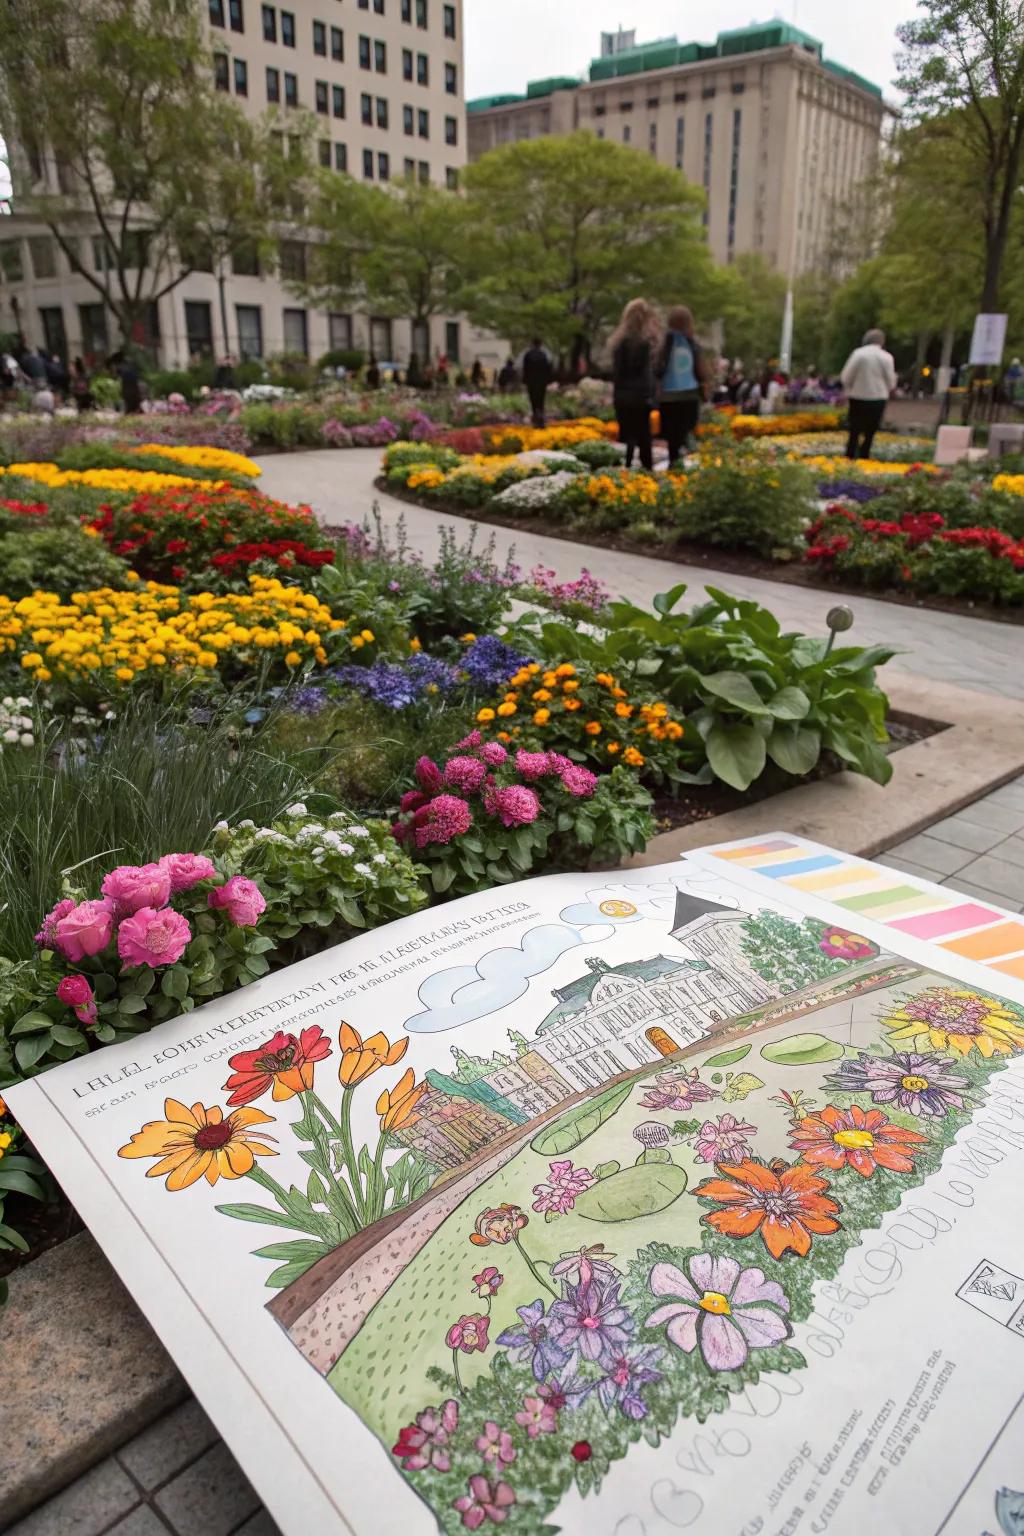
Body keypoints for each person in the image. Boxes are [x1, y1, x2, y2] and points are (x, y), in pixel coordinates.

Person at [610, 297, 660, 471]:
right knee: (644, 437)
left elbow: (617, 374)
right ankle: (647, 472)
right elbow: (647, 375)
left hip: (623, 396)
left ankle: (624, 470)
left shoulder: (619, 343)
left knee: (626, 437)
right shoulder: (646, 343)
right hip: (641, 397)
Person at [655, 305, 705, 463]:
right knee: (685, 429)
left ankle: (674, 461)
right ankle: (684, 459)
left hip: (668, 395)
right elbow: (700, 368)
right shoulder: (692, 343)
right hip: (689, 393)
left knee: (671, 434)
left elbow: (658, 366)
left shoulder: (665, 342)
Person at [841, 327, 897, 460]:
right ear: (881, 342)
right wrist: (889, 388)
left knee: (855, 428)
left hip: (858, 396)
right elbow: (891, 380)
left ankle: (850, 454)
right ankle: (865, 454)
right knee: (871, 429)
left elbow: (846, 376)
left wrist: (849, 387)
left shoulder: (858, 354)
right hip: (878, 397)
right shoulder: (887, 357)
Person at [521, 337, 553, 427]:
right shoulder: (543, 355)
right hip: (541, 382)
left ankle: (535, 416)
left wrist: (525, 380)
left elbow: (525, 369)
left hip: (531, 381)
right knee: (541, 400)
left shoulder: (528, 355)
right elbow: (547, 369)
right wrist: (548, 380)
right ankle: (541, 418)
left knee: (533, 399)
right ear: (540, 344)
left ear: (532, 344)